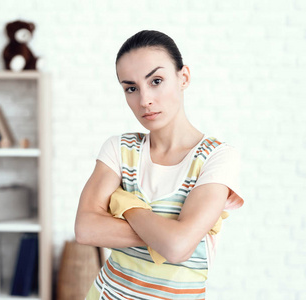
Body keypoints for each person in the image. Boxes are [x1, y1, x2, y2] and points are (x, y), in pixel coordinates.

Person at [74, 30, 244, 300]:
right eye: (131, 88)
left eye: (156, 80)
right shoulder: (119, 149)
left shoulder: (217, 157)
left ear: (183, 77)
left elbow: (177, 248)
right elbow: (85, 229)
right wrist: (171, 233)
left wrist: (126, 205)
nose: (144, 100)